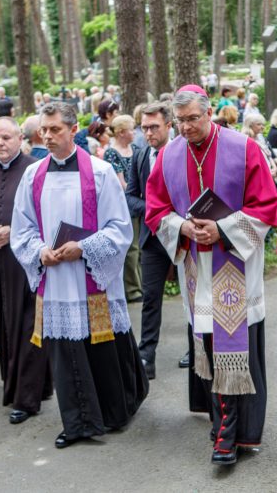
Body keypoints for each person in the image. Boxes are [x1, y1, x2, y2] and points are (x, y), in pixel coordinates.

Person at [145, 85, 277, 465]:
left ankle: (233, 434)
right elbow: (155, 209)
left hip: (234, 263)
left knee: (235, 349)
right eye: (181, 121)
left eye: (193, 119)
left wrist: (222, 229)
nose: (186, 128)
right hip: (194, 266)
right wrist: (183, 228)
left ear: (209, 114)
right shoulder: (168, 155)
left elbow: (268, 205)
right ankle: (225, 424)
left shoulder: (243, 148)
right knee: (207, 345)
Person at [10, 102, 148, 448]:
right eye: (44, 129)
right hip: (55, 279)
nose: (48, 136)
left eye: (55, 129)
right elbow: (22, 228)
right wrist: (40, 250)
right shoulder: (33, 175)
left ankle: (114, 412)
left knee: (101, 345)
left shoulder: (99, 172)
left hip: (90, 276)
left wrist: (84, 248)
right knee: (65, 352)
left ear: (74, 130)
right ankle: (79, 422)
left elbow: (119, 229)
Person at [0, 117, 52, 424]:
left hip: (24, 260)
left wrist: (11, 231)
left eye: (5, 137)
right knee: (0, 323)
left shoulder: (34, 170)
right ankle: (28, 384)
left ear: (20, 139)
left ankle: (26, 399)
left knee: (27, 325)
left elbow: (47, 216)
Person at [125, 102, 173, 379]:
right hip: (152, 238)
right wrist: (152, 211)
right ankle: (147, 355)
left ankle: (195, 350)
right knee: (150, 298)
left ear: (168, 125)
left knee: (192, 297)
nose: (148, 133)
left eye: (154, 127)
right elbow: (130, 196)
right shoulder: (141, 156)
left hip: (183, 236)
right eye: (144, 128)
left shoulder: (183, 153)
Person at [104, 115, 143, 303]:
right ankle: (132, 289)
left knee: (141, 246)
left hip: (140, 202)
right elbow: (121, 184)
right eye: (131, 129)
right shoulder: (112, 153)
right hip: (125, 205)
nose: (134, 132)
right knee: (132, 248)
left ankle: (141, 284)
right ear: (120, 133)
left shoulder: (136, 149)